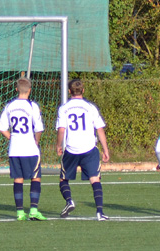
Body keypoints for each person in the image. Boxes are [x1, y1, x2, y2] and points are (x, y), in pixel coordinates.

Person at [56, 79, 110, 221]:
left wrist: (58, 145)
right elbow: (100, 129)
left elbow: (61, 130)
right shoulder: (90, 107)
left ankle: (69, 201)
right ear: (83, 90)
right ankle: (99, 212)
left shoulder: (64, 108)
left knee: (63, 179)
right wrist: (105, 150)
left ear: (69, 91)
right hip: (89, 148)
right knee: (95, 179)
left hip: (71, 149)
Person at [0, 77, 47, 221]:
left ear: (16, 89)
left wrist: (11, 137)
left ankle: (19, 212)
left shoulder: (10, 106)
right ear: (29, 90)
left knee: (18, 179)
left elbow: (1, 127)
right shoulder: (32, 106)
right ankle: (33, 210)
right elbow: (39, 128)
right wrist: (36, 140)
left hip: (15, 149)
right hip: (30, 149)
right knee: (35, 177)